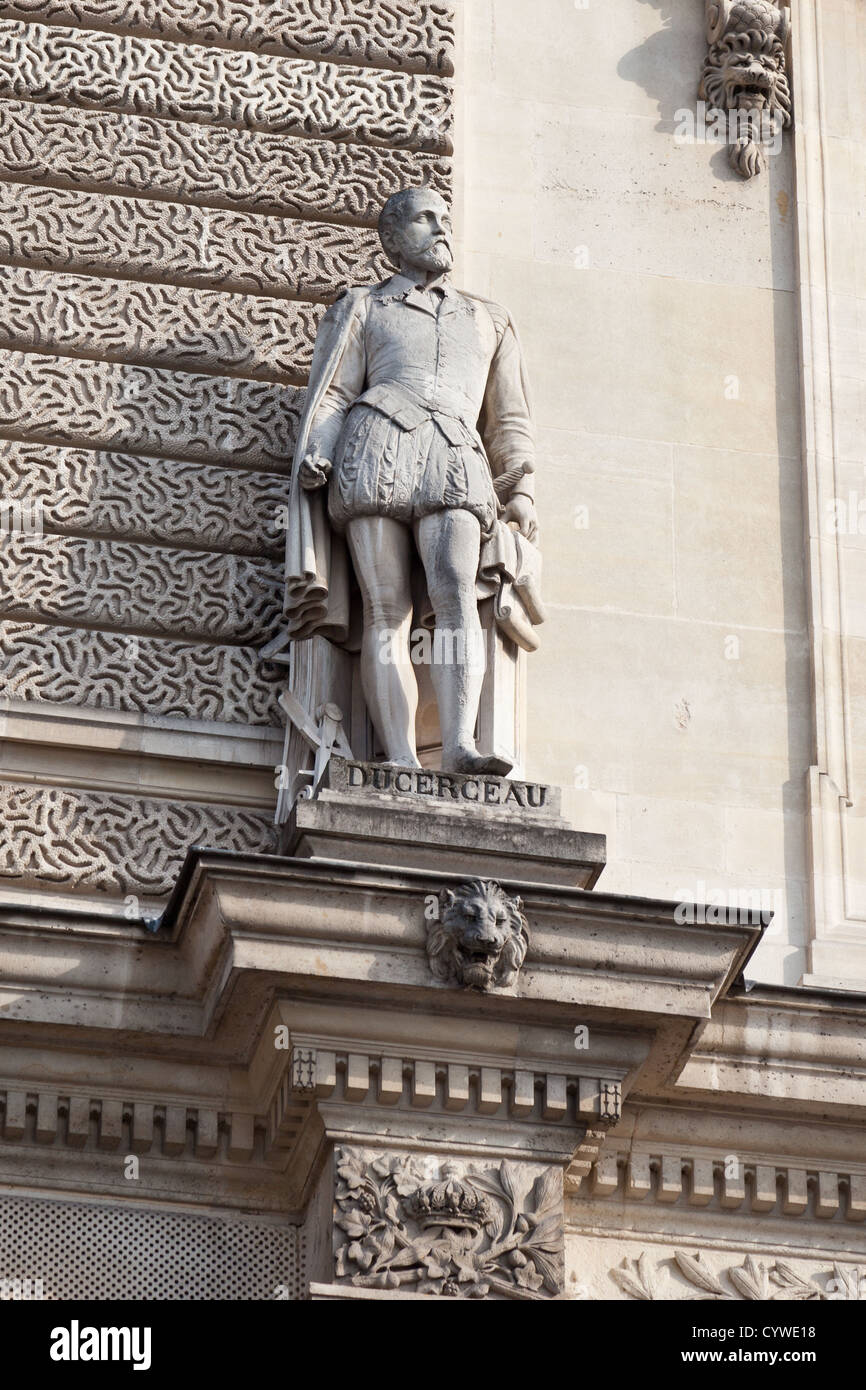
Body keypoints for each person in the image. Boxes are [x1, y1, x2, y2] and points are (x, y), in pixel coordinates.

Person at [282, 186, 539, 775]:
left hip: (454, 455)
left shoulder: (488, 318)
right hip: (375, 449)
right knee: (386, 608)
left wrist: (520, 488)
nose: (441, 228)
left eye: (445, 218)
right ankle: (399, 756)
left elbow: (510, 418)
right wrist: (318, 447)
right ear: (394, 239)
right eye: (426, 219)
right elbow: (336, 392)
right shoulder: (364, 307)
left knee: (455, 596)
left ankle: (458, 746)